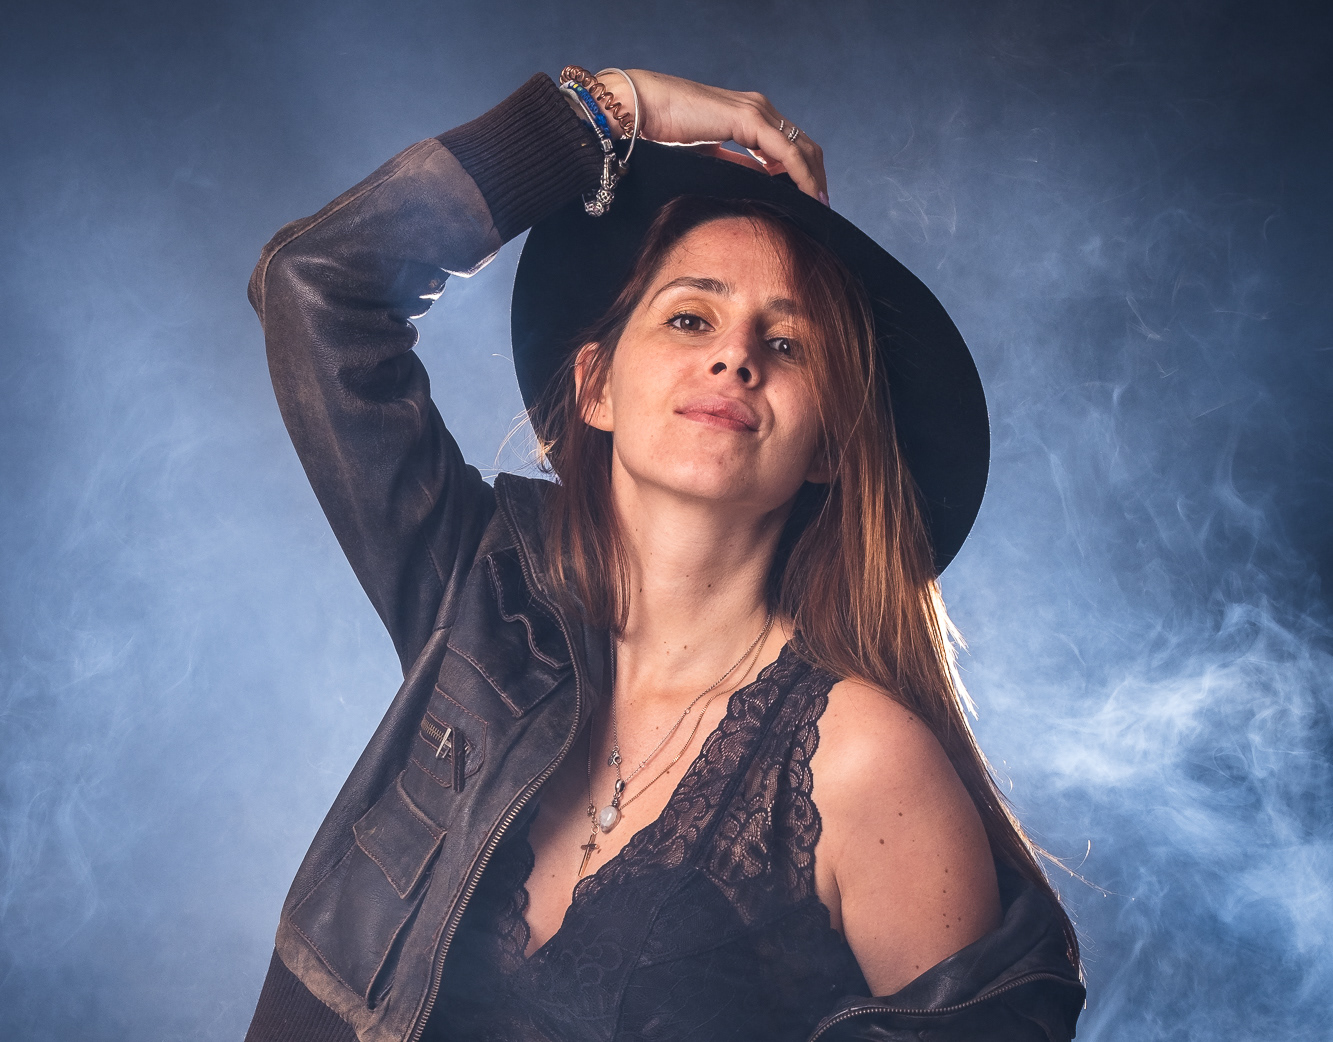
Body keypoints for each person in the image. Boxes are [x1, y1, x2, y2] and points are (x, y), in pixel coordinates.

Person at [242, 66, 1085, 1042]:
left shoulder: (866, 764)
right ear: (595, 386)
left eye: (789, 345)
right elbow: (316, 288)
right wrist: (610, 111)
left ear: (830, 446)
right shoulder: (482, 594)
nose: (734, 356)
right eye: (690, 318)